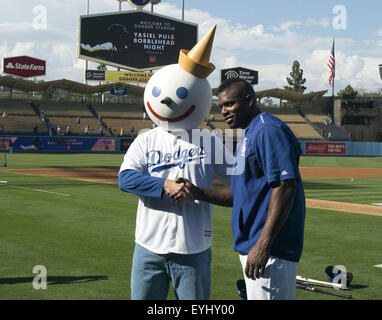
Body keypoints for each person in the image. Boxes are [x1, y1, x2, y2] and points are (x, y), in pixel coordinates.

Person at [177, 78, 306, 300]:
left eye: (229, 104)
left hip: (270, 250)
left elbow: (285, 186)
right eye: (221, 107)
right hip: (255, 247)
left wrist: (263, 244)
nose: (224, 111)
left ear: (249, 101)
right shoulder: (250, 132)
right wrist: (197, 192)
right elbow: (240, 195)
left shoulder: (268, 130)